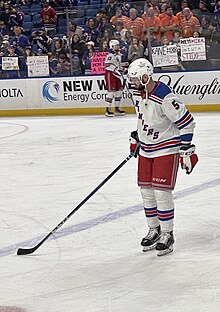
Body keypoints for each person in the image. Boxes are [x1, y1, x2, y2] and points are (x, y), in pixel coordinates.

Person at [127, 58, 198, 256]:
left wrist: (186, 149)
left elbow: (187, 122)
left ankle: (167, 233)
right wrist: (136, 137)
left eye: (134, 79)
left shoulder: (164, 96)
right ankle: (154, 229)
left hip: (166, 149)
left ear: (145, 77)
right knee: (146, 193)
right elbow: (145, 119)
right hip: (146, 150)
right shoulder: (138, 94)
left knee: (161, 193)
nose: (131, 82)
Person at [104, 39, 126, 117]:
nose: (118, 46)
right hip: (110, 73)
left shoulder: (119, 54)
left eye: (118, 45)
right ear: (112, 46)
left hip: (117, 74)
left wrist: (121, 68)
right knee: (111, 92)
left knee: (118, 91)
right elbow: (106, 64)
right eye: (116, 45)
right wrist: (115, 69)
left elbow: (118, 64)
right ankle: (107, 109)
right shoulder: (110, 55)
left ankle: (117, 108)